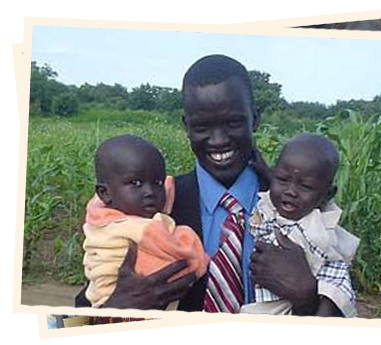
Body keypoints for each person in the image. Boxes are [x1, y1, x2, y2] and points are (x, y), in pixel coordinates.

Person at [76, 54, 355, 317]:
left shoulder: (303, 211)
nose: (219, 140)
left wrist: (306, 298)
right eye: (202, 127)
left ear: (254, 120)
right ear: (186, 126)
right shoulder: (154, 206)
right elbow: (74, 321)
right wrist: (117, 307)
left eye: (233, 122)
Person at [81, 135, 208, 308]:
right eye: (135, 183)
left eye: (157, 182)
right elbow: (77, 318)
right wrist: (112, 311)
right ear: (105, 193)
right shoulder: (139, 226)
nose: (150, 192)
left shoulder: (100, 218)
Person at [240, 134, 359, 317]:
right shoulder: (270, 207)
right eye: (282, 179)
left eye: (305, 186)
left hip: (286, 309)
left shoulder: (319, 230)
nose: (290, 192)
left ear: (327, 195)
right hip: (260, 305)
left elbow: (335, 281)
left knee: (335, 292)